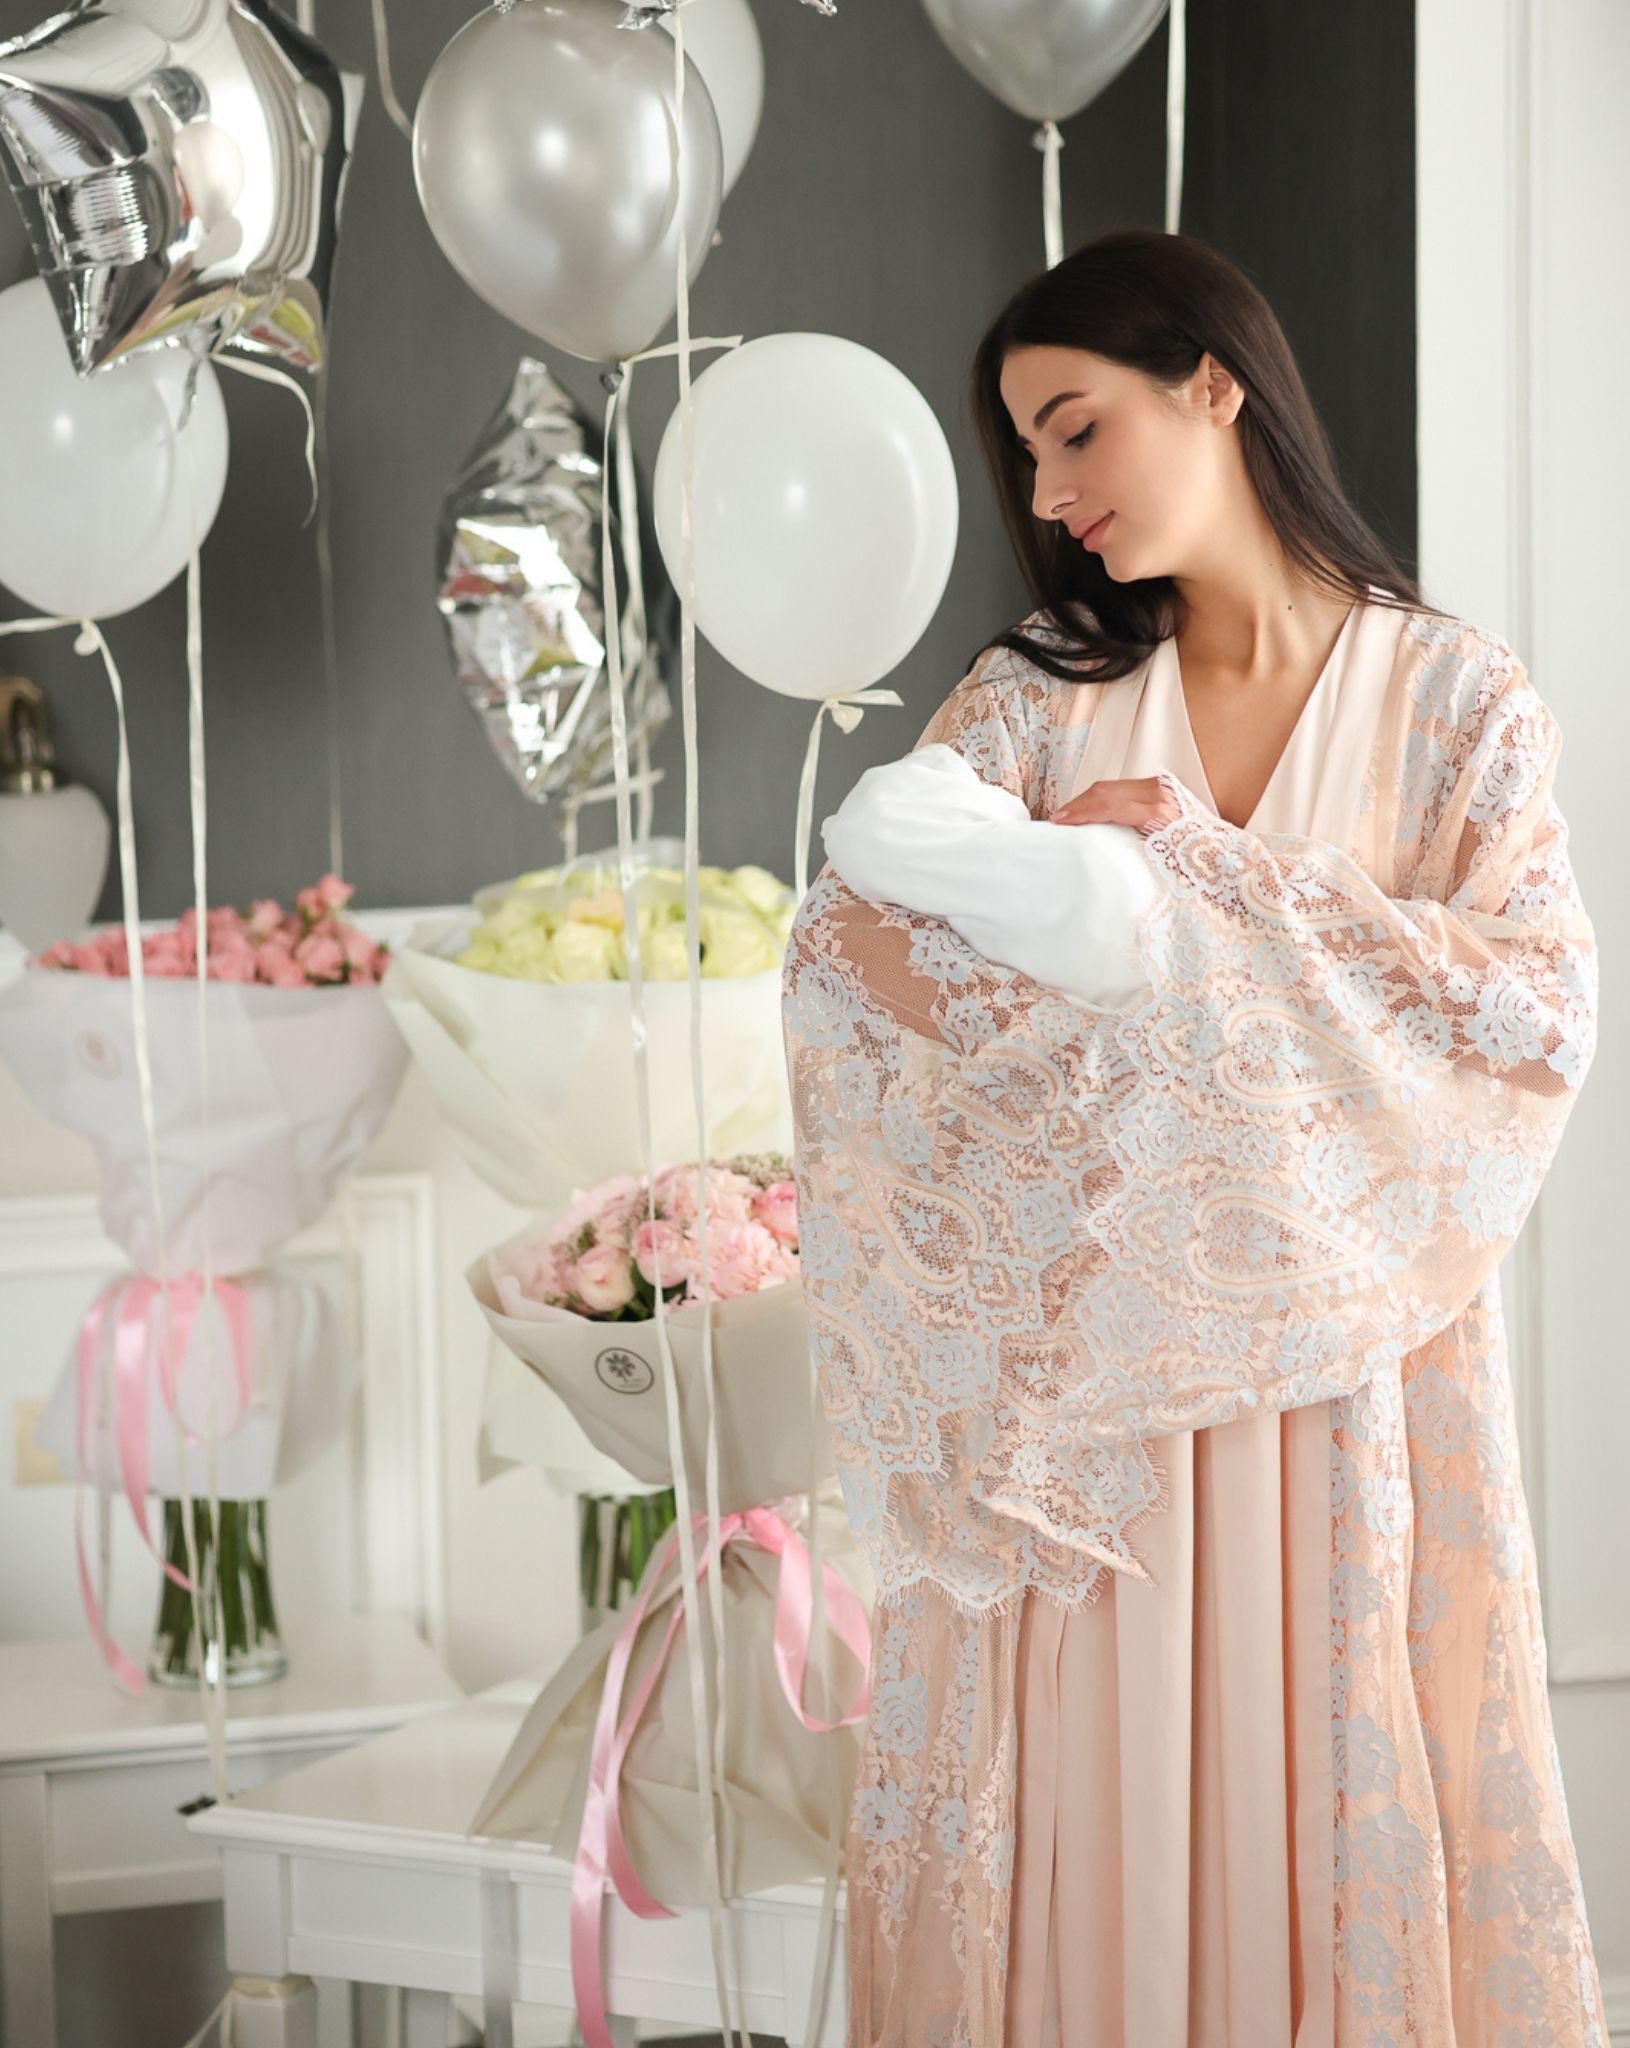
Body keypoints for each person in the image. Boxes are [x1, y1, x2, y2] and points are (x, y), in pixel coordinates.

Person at [778, 227, 1608, 2046]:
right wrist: (1099, 920)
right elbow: (843, 956)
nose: (1050, 492)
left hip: (1346, 1403)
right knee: (1083, 1854)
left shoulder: (1458, 706)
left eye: (1075, 428)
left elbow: (1533, 1016)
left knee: (1315, 1810)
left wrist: (1198, 891)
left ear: (1213, 383)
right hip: (1082, 1426)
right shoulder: (1028, 704)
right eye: (1025, 457)